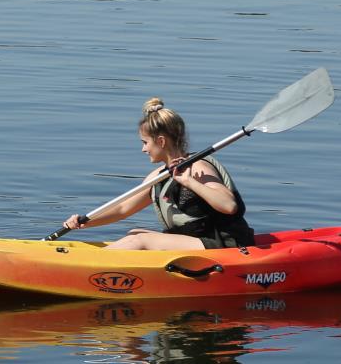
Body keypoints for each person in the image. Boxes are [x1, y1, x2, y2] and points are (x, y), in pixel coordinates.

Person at [60, 97, 256, 250]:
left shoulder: (199, 168)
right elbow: (122, 210)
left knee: (141, 241)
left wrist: (189, 181)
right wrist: (84, 223)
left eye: (145, 143)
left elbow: (229, 206)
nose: (143, 150)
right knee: (133, 233)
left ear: (161, 142)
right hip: (196, 240)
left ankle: (88, 267)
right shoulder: (158, 176)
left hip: (226, 244)